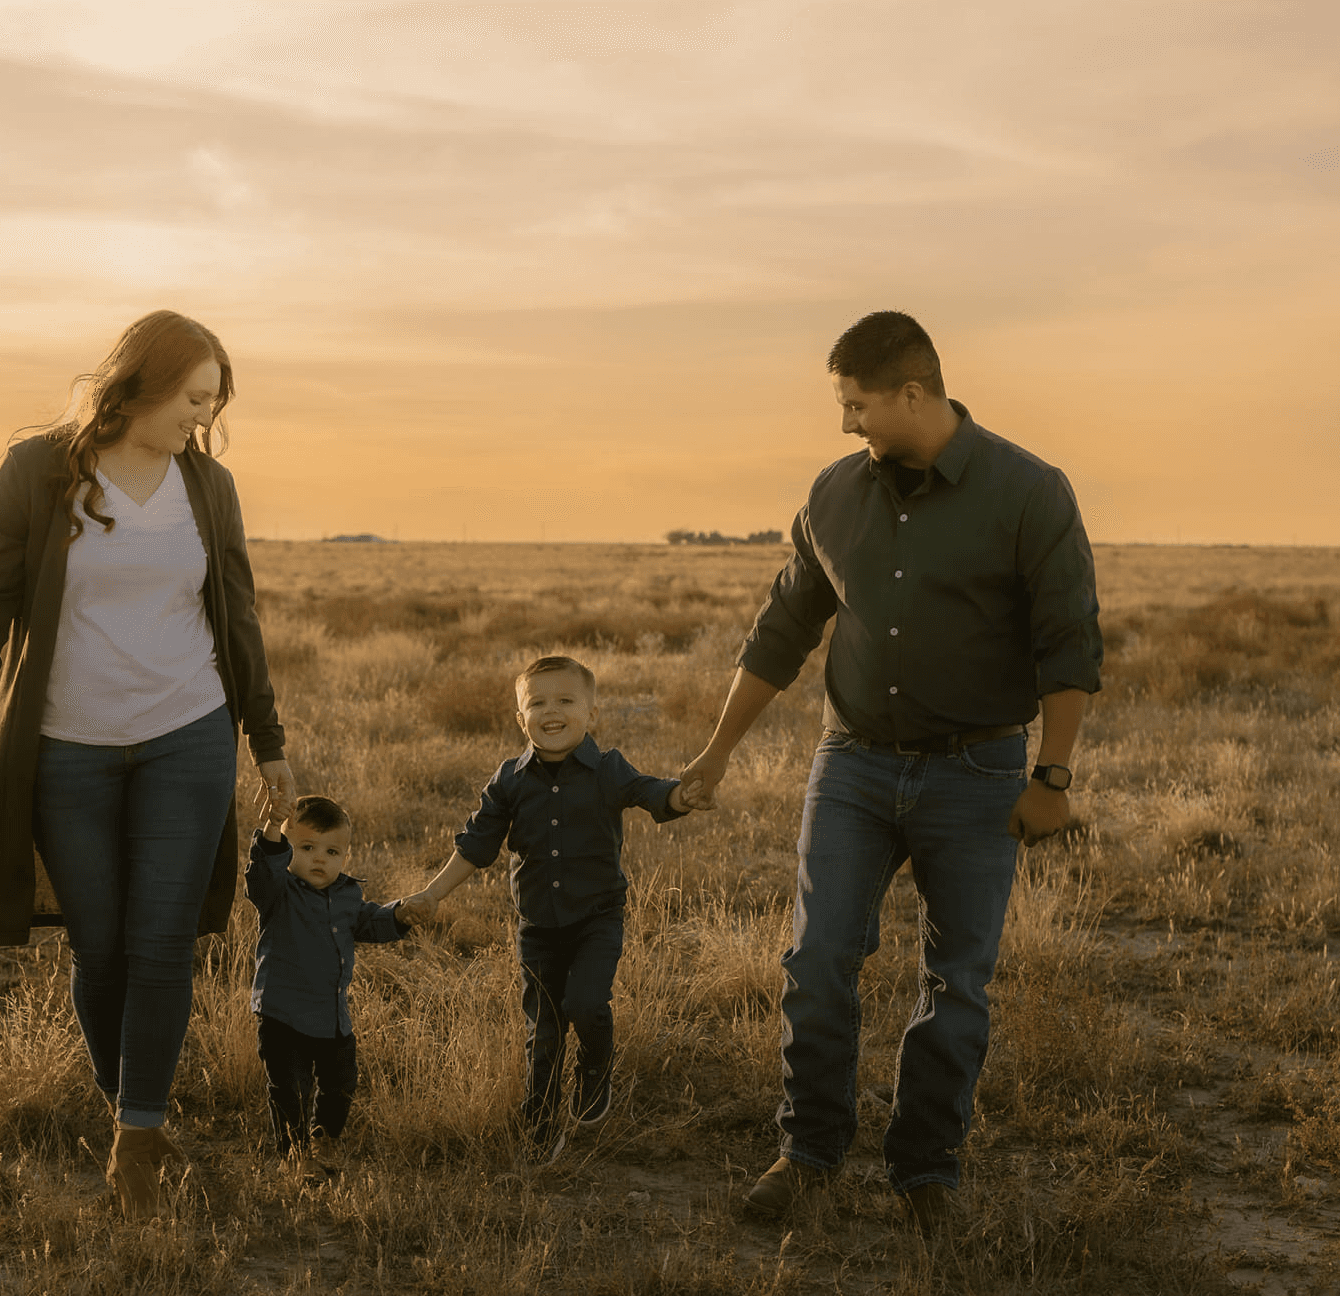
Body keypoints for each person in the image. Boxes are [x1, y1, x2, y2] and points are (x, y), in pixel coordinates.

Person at [679, 311, 1103, 1235]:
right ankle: (809, 1150)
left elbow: (1070, 645)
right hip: (855, 768)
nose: (845, 424)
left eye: (855, 404)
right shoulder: (833, 497)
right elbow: (782, 633)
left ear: (914, 393)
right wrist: (716, 753)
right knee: (817, 958)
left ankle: (925, 1174)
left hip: (981, 772)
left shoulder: (1031, 492)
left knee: (957, 981)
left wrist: (1054, 777)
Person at [0, 309, 294, 1220]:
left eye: (214, 405)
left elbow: (239, 615)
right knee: (99, 949)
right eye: (194, 398)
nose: (203, 420)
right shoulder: (38, 471)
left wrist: (269, 739)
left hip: (189, 730)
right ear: (142, 381)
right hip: (67, 746)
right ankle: (133, 1110)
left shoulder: (207, 487)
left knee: (160, 940)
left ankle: (137, 1138)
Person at [407, 655, 709, 1153]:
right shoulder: (509, 780)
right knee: (542, 1029)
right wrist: (432, 894)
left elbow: (647, 791)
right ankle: (540, 1128)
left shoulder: (608, 769)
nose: (552, 711)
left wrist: (680, 797)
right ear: (519, 718)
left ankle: (595, 1063)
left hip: (597, 919)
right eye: (538, 703)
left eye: (566, 701)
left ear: (591, 714)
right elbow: (476, 844)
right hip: (538, 927)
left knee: (585, 1004)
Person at [245, 793, 422, 1180]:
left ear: (345, 855)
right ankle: (295, 1154)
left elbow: (370, 922)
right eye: (306, 848)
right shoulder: (279, 892)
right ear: (287, 849)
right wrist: (273, 828)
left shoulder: (347, 894)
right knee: (290, 1088)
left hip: (332, 1018)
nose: (319, 859)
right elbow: (260, 876)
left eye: (331, 851)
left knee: (340, 1084)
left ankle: (325, 1139)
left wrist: (401, 913)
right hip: (282, 1014)